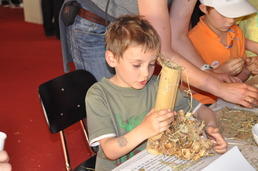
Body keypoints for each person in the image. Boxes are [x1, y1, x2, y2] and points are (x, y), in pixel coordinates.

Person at [86, 15, 227, 171]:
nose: (146, 74)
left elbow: (201, 110)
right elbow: (110, 151)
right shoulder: (98, 96)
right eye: (136, 65)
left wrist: (211, 128)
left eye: (152, 64)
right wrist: (146, 129)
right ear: (111, 59)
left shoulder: (158, 85)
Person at [59, 0, 258, 107]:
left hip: (136, 25)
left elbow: (178, 34)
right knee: (112, 105)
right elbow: (161, 50)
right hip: (96, 24)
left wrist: (207, 72)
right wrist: (218, 88)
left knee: (136, 108)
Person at [186, 0, 258, 104]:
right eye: (224, 14)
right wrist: (218, 72)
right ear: (204, 8)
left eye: (235, 13)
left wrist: (247, 70)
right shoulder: (190, 42)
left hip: (231, 101)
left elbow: (237, 81)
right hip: (201, 105)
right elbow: (184, 89)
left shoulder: (236, 32)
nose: (230, 21)